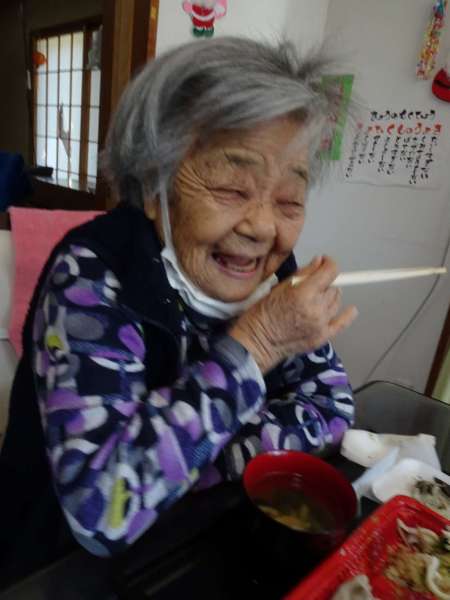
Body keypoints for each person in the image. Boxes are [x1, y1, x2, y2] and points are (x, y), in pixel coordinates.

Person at [0, 36, 358, 584]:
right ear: (154, 183)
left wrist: (194, 461)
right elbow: (104, 507)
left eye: (289, 200)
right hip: (57, 568)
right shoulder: (94, 272)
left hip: (198, 540)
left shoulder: (270, 267)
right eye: (232, 187)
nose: (263, 227)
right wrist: (256, 345)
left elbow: (331, 407)